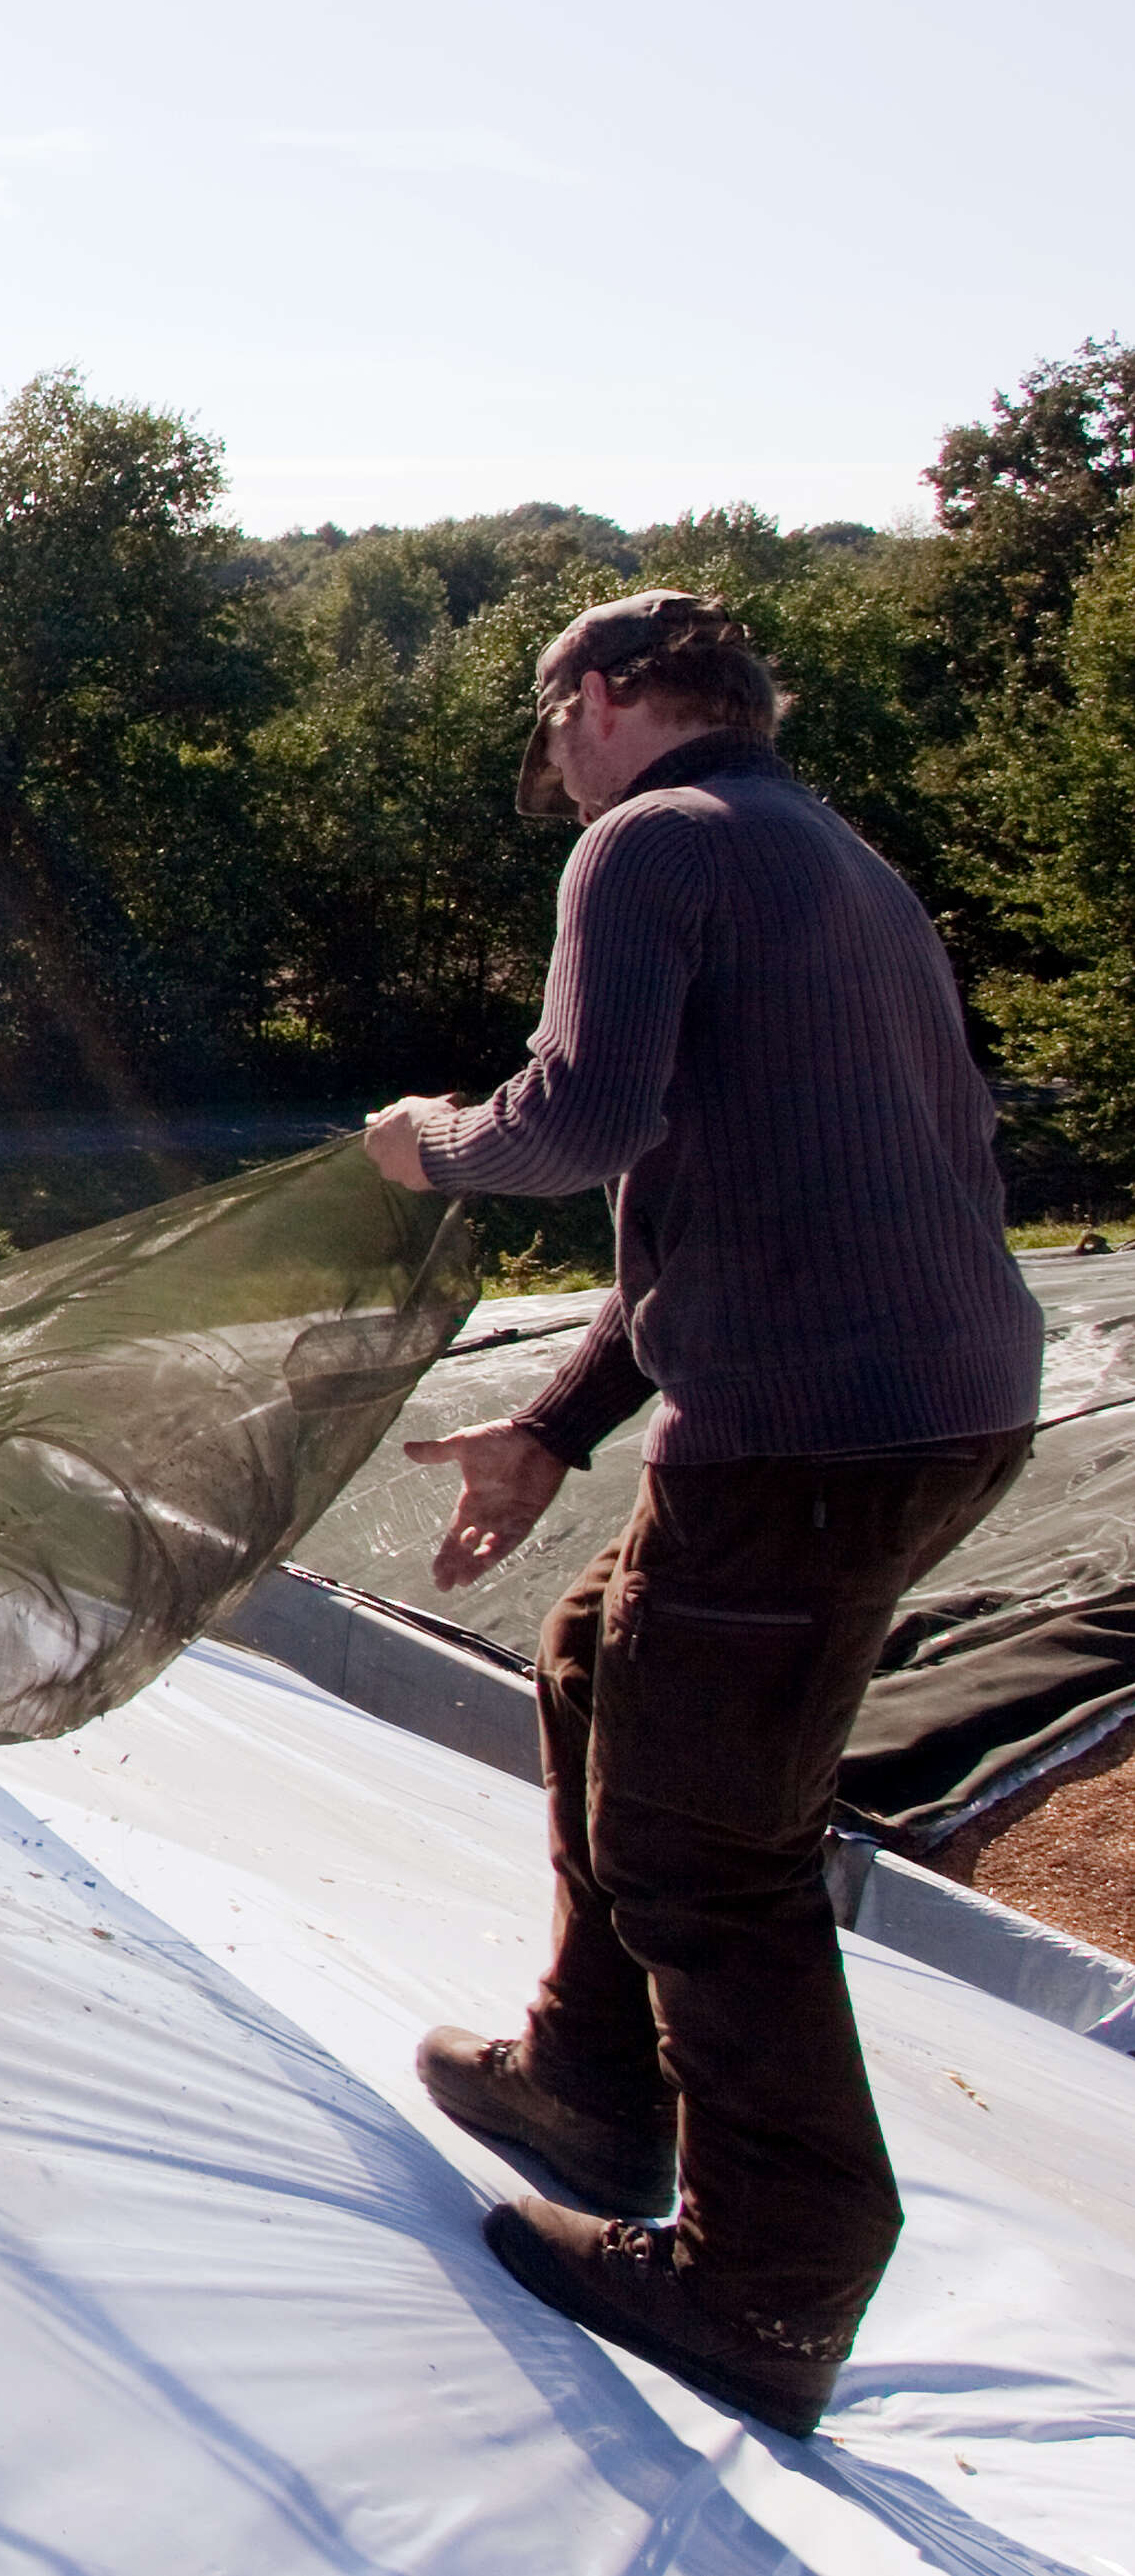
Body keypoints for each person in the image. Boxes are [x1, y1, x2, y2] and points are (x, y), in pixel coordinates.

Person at [362, 589, 1042, 2436]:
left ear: (596, 698)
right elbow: (727, 1185)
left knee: (706, 1842)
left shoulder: (649, 842)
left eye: (554, 728)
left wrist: (433, 1141)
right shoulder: (829, 855)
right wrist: (558, 1426)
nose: (560, 768)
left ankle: (773, 2275)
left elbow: (580, 1125)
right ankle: (591, 2084)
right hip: (926, 1403)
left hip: (815, 1438)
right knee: (599, 1660)